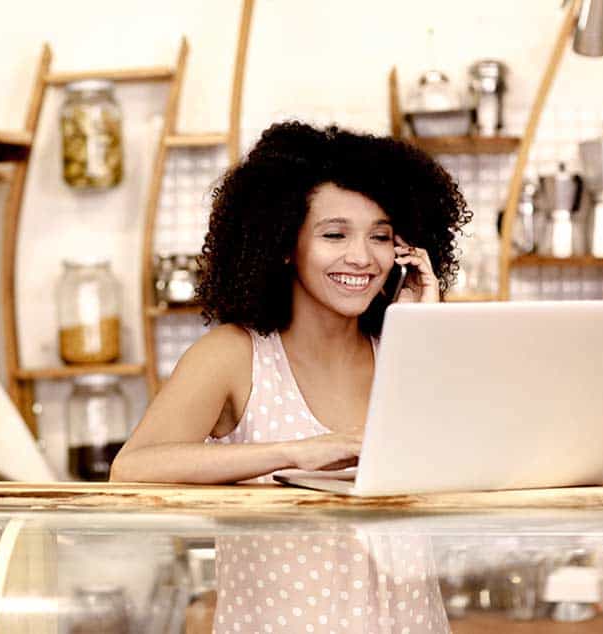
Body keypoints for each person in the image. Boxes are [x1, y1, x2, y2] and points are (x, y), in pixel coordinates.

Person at [110, 122, 471, 632]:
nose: (362, 257)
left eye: (381, 236)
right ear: (283, 243)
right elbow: (133, 469)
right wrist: (298, 452)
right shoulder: (233, 356)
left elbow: (464, 473)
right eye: (334, 234)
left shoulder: (402, 352)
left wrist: (419, 332)